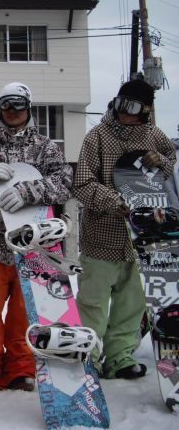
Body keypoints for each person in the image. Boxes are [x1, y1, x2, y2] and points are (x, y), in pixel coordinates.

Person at [0, 82, 73, 393]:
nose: (12, 110)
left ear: (28, 107)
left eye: (18, 104)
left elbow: (64, 183)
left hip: (33, 248)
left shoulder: (46, 147)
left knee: (24, 312)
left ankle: (22, 367)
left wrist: (28, 190)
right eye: (6, 104)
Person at [73, 79, 176, 379]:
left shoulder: (155, 135)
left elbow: (171, 164)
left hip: (141, 238)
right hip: (102, 235)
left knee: (132, 303)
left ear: (145, 110)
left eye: (130, 107)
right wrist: (113, 201)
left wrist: (162, 161)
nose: (123, 112)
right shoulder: (97, 137)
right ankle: (88, 355)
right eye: (119, 104)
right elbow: (82, 183)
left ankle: (120, 356)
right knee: (92, 302)